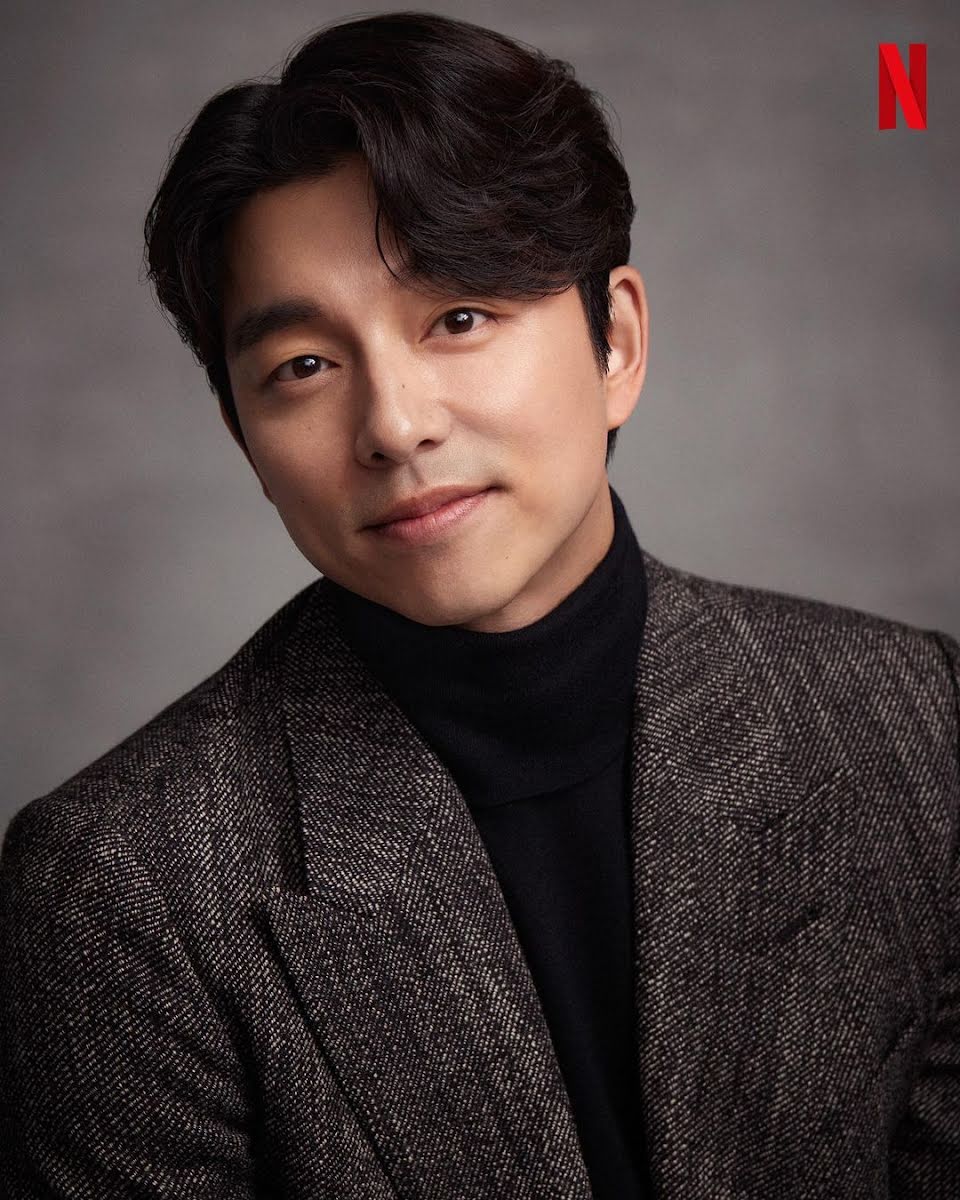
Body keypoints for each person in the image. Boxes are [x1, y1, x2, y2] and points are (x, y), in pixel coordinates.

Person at [1, 9, 957, 1198]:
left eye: (458, 318)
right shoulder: (122, 887)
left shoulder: (914, 724)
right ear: (244, 436)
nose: (396, 425)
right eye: (303, 367)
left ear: (615, 343)